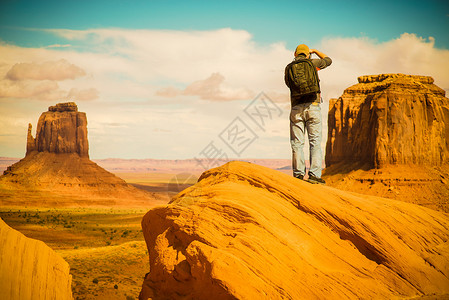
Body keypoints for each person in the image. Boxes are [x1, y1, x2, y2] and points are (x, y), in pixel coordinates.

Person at [284, 44, 332, 184]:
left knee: (297, 144)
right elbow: (328, 60)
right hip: (313, 106)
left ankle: (298, 175)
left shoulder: (289, 68)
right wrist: (315, 51)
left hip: (296, 108)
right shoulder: (313, 63)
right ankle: (314, 175)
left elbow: (288, 84)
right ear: (307, 54)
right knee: (315, 143)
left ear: (295, 54)